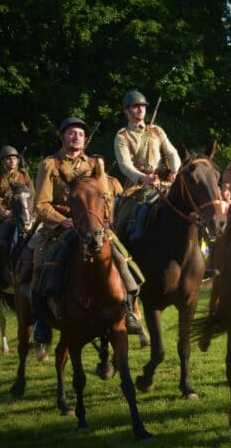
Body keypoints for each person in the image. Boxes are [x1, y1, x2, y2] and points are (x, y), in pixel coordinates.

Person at [26, 117, 141, 343]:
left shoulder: (94, 165)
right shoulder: (50, 165)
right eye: (71, 133)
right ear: (62, 137)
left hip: (93, 225)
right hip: (62, 226)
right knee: (41, 259)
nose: (76, 137)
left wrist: (103, 220)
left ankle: (128, 308)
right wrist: (62, 221)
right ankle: (41, 319)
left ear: (86, 139)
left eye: (80, 134)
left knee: (121, 256)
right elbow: (40, 204)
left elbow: (106, 198)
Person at [113, 90, 181, 241]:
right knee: (124, 221)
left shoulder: (156, 130)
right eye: (135, 106)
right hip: (138, 187)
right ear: (126, 110)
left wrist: (175, 170)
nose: (140, 109)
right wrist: (144, 177)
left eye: (143, 106)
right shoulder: (122, 136)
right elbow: (125, 165)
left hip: (165, 183)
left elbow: (171, 153)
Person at [0, 145, 34, 225]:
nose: (12, 161)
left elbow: (32, 194)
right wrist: (1, 210)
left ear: (18, 160)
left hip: (23, 210)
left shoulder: (23, 175)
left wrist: (29, 209)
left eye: (14, 159)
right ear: (3, 161)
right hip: (3, 211)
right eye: (8, 159)